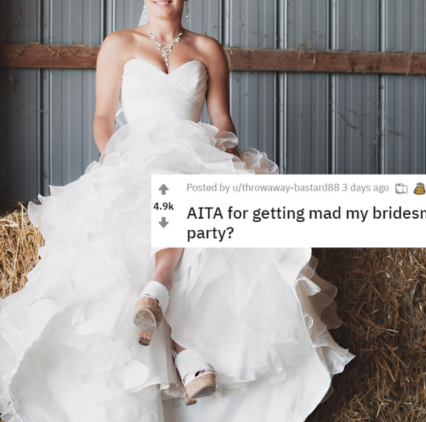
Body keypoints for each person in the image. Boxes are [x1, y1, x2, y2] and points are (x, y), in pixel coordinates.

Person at [0, 1, 353, 421]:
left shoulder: (208, 49)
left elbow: (222, 120)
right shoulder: (118, 44)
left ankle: (160, 293)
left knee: (195, 196)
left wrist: (227, 154)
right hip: (134, 159)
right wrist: (117, 161)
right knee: (165, 194)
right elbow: (102, 118)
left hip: (195, 158)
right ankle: (183, 348)